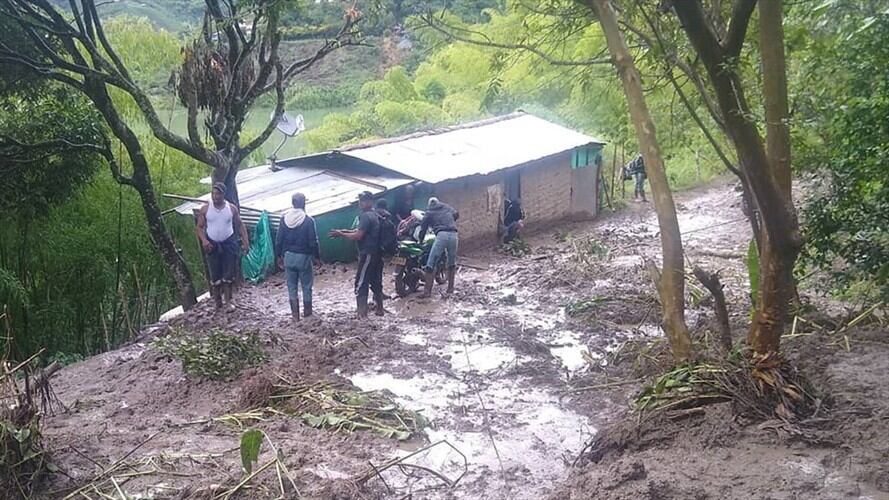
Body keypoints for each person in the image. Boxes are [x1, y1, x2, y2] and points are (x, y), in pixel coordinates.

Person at [329, 191, 384, 318]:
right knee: (375, 281)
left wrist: (342, 235)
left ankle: (362, 315)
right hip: (377, 254)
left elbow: (358, 235)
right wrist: (344, 231)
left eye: (363, 200)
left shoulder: (365, 216)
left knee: (361, 283)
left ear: (370, 201)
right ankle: (380, 309)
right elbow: (361, 231)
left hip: (367, 254)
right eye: (360, 200)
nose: (361, 203)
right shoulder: (375, 214)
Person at [195, 182, 249, 310]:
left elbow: (240, 225)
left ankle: (228, 301)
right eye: (213, 193)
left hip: (228, 242)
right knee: (215, 274)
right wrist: (204, 241)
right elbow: (199, 227)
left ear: (223, 194)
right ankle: (217, 301)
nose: (215, 196)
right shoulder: (206, 209)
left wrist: (245, 241)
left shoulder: (231, 209)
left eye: (218, 194)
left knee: (228, 273)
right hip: (211, 243)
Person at [275, 192, 320, 321]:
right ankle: (307, 314)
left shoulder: (284, 219)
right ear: (303, 203)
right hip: (304, 258)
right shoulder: (308, 220)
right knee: (306, 286)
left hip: (288, 257)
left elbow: (279, 240)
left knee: (291, 286)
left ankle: (295, 316)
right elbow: (313, 241)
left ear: (292, 203)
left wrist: (278, 256)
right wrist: (317, 257)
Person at [417, 197, 459, 297]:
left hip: (441, 235)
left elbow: (423, 228)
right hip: (454, 234)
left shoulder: (429, 212)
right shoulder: (447, 207)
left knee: (430, 264)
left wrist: (420, 241)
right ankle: (450, 289)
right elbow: (456, 214)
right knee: (451, 263)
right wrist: (450, 221)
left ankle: (427, 292)